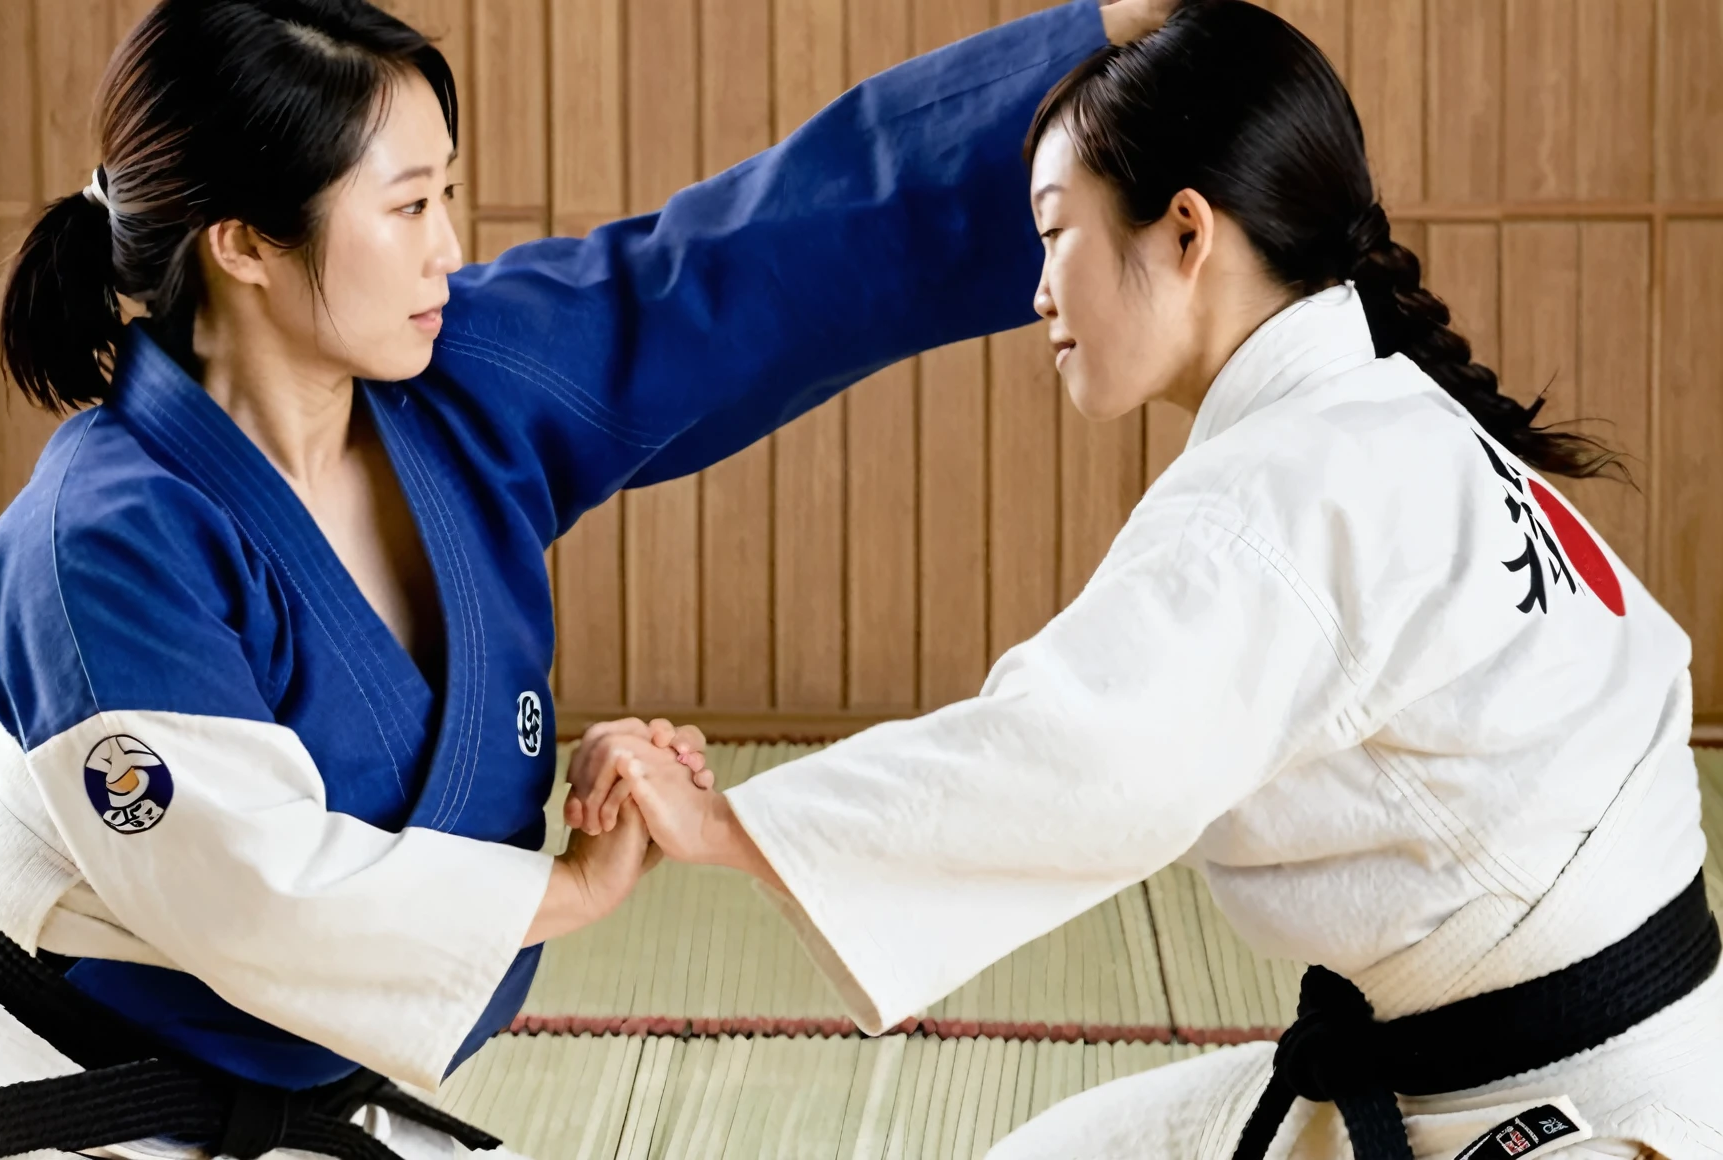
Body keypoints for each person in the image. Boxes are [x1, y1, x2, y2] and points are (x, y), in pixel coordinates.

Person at [0, 1, 1178, 1157]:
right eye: (406, 209)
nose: (450, 250)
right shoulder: (105, 534)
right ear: (247, 243)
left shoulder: (459, 377)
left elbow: (750, 263)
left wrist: (1095, 40)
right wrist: (570, 889)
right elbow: (260, 896)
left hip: (276, 1110)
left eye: (445, 196)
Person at [596, 3, 1723, 1158]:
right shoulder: (1389, 416)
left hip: (1591, 1111)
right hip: (1585, 1041)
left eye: (1054, 233)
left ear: (1187, 231)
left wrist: (727, 819)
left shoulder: (1286, 486)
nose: (1038, 293)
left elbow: (1074, 755)